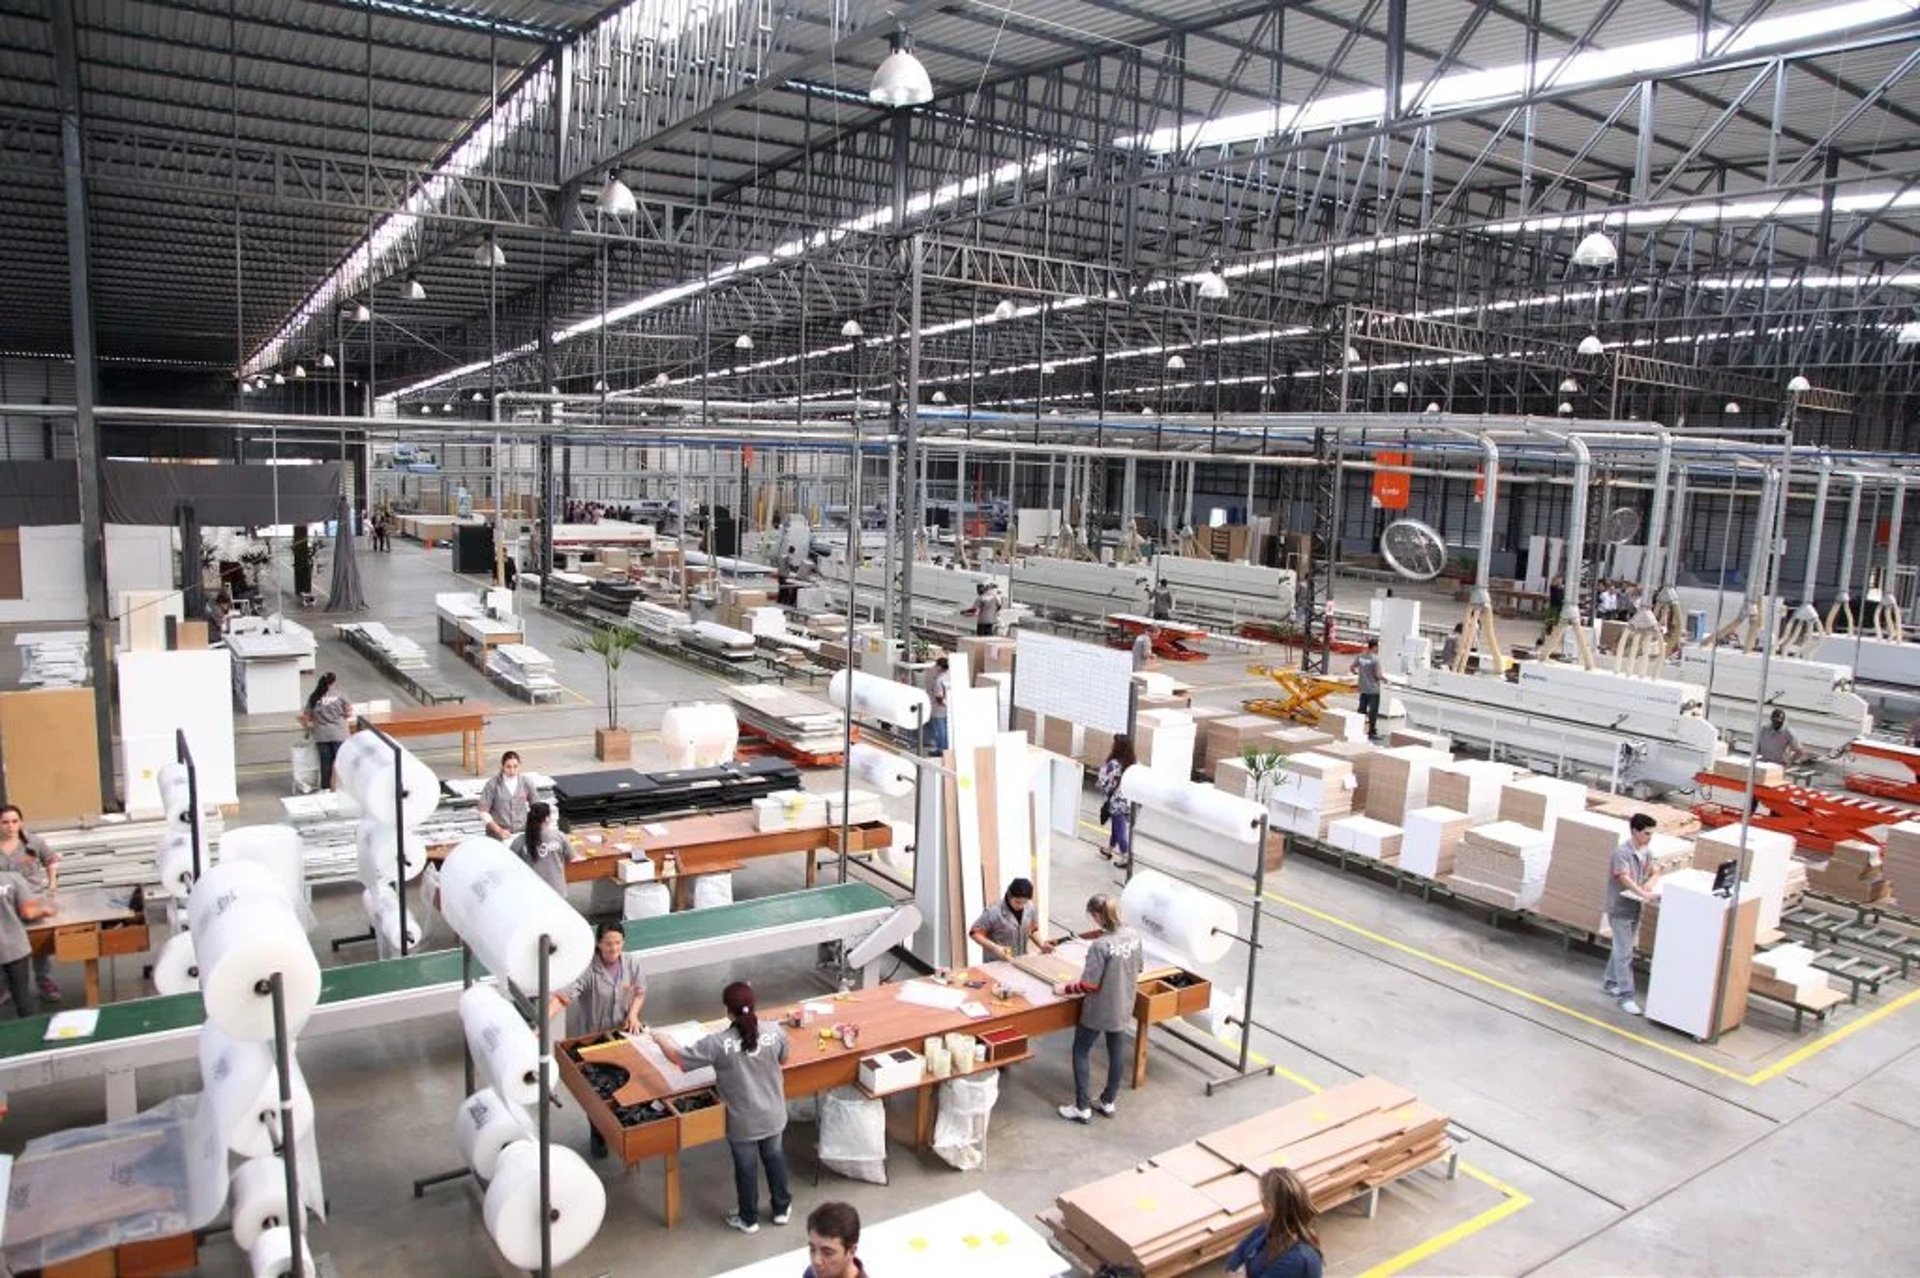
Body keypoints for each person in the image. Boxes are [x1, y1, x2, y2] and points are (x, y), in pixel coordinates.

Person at [653, 981, 792, 1235]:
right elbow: (784, 1059)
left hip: (742, 1120)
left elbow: (678, 1059)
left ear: (727, 1010)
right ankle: (781, 1209)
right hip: (773, 1113)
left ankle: (748, 1219)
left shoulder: (717, 1043)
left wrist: (659, 1039)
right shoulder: (775, 1031)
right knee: (774, 1156)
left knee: (746, 1167)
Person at [549, 921, 647, 1158]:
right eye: (608, 943)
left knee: (622, 1083)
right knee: (596, 1092)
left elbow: (640, 991)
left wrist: (633, 1015)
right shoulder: (588, 969)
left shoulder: (631, 962)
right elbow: (563, 998)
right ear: (598, 944)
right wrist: (541, 1023)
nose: (613, 948)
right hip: (592, 1039)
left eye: (617, 943)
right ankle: (597, 1134)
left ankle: (620, 1129)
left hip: (620, 1035)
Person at [1056, 893, 1143, 1123]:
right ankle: (1108, 1101)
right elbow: (1139, 967)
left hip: (1099, 1009)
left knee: (1080, 1051)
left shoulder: (1101, 945)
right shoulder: (1134, 935)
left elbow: (1088, 985)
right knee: (1116, 1052)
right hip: (1123, 1004)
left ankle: (1082, 1107)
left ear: (1097, 915)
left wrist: (1064, 989)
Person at [0, 806, 61, 1004]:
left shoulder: (33, 843)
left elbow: (51, 860)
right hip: (5, 905)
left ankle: (44, 981)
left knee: (38, 943)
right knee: (5, 944)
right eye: (5, 822)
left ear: (21, 822)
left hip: (32, 899)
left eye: (14, 821)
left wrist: (52, 884)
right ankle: (4, 987)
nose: (10, 826)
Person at [1604, 813, 1662, 1015]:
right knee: (1625, 952)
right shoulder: (1622, 853)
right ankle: (1626, 996)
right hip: (1620, 908)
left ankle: (1611, 982)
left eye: (1651, 833)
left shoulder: (1646, 852)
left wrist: (1649, 884)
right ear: (1635, 831)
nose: (1649, 837)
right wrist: (1642, 892)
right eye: (1646, 833)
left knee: (1622, 947)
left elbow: (1655, 871)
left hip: (1635, 906)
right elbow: (1623, 877)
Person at [1227, 1167, 1324, 1278]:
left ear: (1269, 1206)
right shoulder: (1269, 1227)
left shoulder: (1296, 1260)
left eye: (1263, 1199)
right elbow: (1236, 1256)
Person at [0, 867, 53, 1019]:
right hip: (14, 948)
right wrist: (44, 910)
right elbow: (29, 912)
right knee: (22, 996)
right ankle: (27, 1031)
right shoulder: (12, 879)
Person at [970, 877, 1054, 961]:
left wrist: (1041, 945)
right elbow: (975, 933)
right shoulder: (994, 912)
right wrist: (995, 948)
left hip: (1020, 959)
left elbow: (1032, 929)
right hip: (997, 962)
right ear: (1009, 896)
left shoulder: (1030, 907)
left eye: (1024, 902)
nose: (1020, 906)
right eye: (1017, 902)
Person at [299, 673, 353, 789]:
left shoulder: (314, 696)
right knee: (340, 762)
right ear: (333, 682)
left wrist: (309, 726)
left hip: (321, 735)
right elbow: (349, 713)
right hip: (339, 734)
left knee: (325, 764)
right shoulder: (340, 695)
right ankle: (341, 787)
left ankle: (325, 789)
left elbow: (306, 717)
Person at [510, 802, 573, 896]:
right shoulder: (559, 836)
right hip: (556, 891)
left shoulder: (519, 841)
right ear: (547, 819)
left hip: (531, 892)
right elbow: (571, 857)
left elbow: (510, 864)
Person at [480, 751, 538, 842]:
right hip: (497, 835)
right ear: (502, 766)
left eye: (515, 766)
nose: (512, 771)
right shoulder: (492, 784)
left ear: (520, 765)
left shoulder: (526, 782)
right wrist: (499, 830)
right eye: (508, 767)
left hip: (521, 832)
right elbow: (483, 812)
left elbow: (537, 807)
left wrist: (535, 827)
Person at [1097, 735, 1136, 867]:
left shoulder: (1114, 764)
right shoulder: (1132, 764)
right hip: (1127, 801)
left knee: (1119, 829)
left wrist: (1101, 779)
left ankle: (1125, 857)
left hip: (1116, 802)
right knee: (1116, 827)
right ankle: (1109, 849)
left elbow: (1106, 783)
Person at [803, 1202, 864, 1278]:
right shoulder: (811, 1274)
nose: (816, 1261)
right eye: (812, 1249)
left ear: (851, 1251)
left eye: (828, 1253)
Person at [1350, 639, 1383, 740]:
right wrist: (1386, 679)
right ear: (1374, 647)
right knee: (1373, 712)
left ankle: (1358, 730)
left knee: (1362, 709)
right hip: (1373, 689)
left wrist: (1358, 674)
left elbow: (1352, 668)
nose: (1378, 649)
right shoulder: (1375, 659)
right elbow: (1378, 675)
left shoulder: (1360, 656)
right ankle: (1371, 732)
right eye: (1378, 647)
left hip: (1363, 687)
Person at [926, 657, 951, 754]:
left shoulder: (938, 680)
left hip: (939, 708)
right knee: (946, 729)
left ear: (940, 667)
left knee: (939, 730)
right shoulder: (949, 677)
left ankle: (941, 750)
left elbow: (938, 696)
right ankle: (947, 748)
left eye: (937, 665)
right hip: (948, 708)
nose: (935, 667)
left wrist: (942, 703)